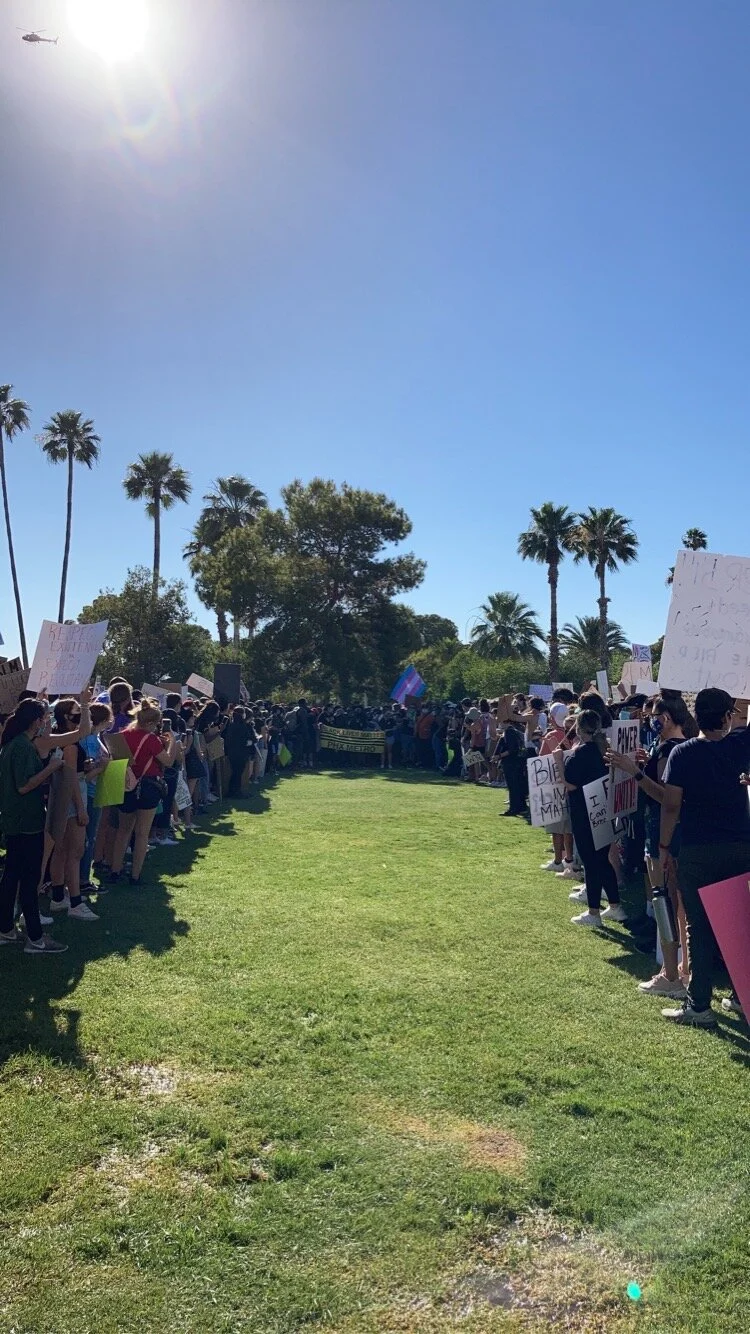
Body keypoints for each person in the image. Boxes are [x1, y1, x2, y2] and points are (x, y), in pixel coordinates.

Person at [659, 688, 750, 1027]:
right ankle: (742, 998)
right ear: (728, 716)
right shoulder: (739, 745)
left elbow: (671, 806)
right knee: (740, 923)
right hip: (740, 848)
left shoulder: (682, 755)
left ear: (695, 715)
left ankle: (699, 1004)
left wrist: (664, 847)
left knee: (700, 927)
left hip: (697, 849)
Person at [608, 696, 689, 998]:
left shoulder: (671, 750)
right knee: (674, 903)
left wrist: (636, 772)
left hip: (662, 834)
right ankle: (681, 969)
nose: (650, 721)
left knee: (664, 901)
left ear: (666, 718)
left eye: (653, 716)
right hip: (668, 833)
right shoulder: (675, 747)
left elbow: (666, 798)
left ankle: (670, 973)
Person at [0, 700, 67, 953]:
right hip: (26, 822)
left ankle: (6, 928)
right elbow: (24, 786)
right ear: (35, 721)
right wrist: (51, 767)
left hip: (14, 820)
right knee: (28, 881)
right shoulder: (21, 748)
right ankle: (36, 938)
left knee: (11, 877)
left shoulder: (13, 744)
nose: (46, 723)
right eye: (44, 718)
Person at [562, 709, 625, 927]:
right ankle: (615, 907)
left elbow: (570, 784)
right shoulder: (605, 749)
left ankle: (593, 912)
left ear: (579, 729)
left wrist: (558, 762)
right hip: (603, 811)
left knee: (591, 862)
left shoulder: (582, 753)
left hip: (585, 813)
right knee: (602, 860)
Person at [109, 703, 177, 886]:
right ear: (152, 723)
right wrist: (172, 744)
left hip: (126, 786)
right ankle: (135, 875)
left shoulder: (121, 736)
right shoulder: (151, 739)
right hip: (148, 786)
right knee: (142, 834)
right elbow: (168, 761)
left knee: (123, 831)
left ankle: (115, 870)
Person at [47, 698, 100, 921]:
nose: (80, 716)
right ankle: (75, 901)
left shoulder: (58, 738)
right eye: (76, 712)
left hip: (60, 794)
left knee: (61, 849)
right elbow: (71, 777)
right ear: (66, 716)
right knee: (75, 850)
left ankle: (59, 896)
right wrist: (81, 808)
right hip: (72, 793)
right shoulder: (69, 743)